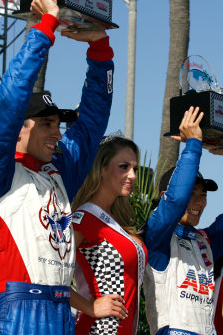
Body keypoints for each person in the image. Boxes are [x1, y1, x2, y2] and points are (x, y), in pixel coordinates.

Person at [0, 0, 115, 335]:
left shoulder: (58, 171)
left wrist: (100, 50)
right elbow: (8, 103)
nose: (56, 132)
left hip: (61, 310)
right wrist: (44, 29)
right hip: (18, 307)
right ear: (19, 128)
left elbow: (92, 122)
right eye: (45, 123)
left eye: (58, 124)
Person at [142, 106, 223, 335]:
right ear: (164, 197)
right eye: (192, 193)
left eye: (202, 195)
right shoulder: (157, 234)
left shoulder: (205, 240)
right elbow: (176, 200)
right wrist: (193, 144)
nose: (199, 202)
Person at [70, 135, 147, 335]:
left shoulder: (118, 224)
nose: (132, 176)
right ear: (101, 168)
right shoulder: (83, 219)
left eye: (134, 169)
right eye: (124, 167)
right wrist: (90, 307)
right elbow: (49, 277)